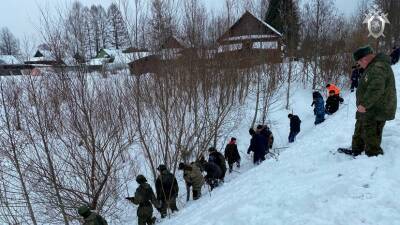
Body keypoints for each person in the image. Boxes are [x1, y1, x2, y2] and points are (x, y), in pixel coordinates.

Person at [349, 45, 397, 157]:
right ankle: (357, 149)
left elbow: (376, 88)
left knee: (371, 131)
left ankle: (373, 155)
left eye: (359, 63)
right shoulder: (373, 66)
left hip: (377, 108)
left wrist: (364, 104)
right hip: (371, 106)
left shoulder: (377, 68)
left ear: (364, 59)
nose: (359, 66)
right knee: (361, 124)